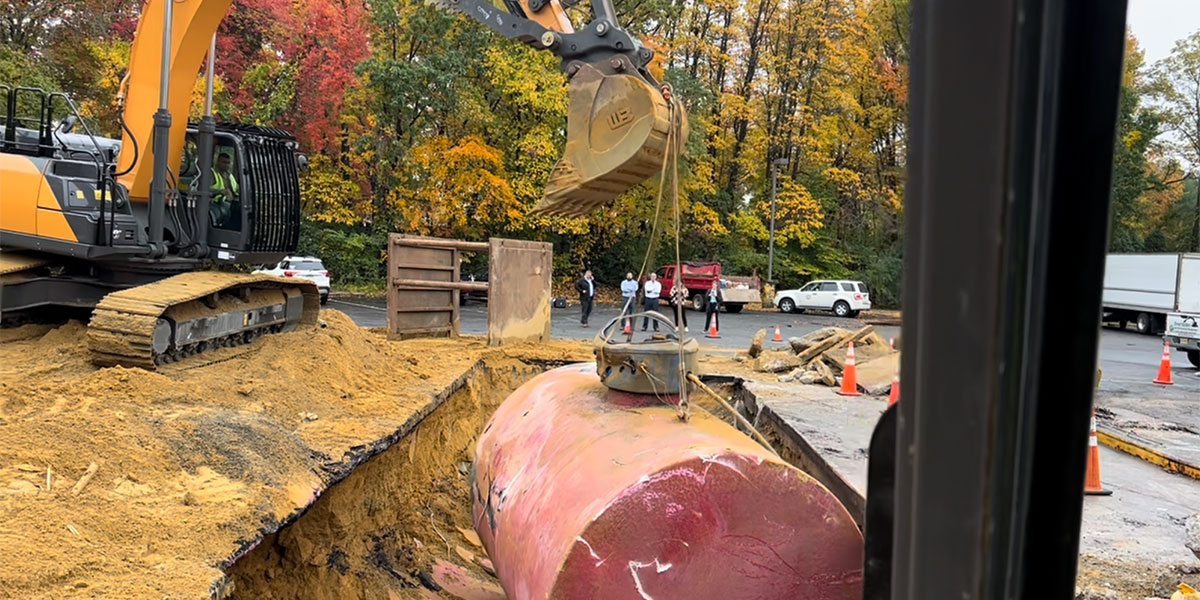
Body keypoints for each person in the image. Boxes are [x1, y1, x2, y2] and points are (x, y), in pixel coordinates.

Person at [192, 151, 239, 227]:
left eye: (228, 163)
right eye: (224, 162)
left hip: (231, 201)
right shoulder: (211, 173)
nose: (226, 165)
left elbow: (236, 188)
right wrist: (220, 191)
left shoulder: (229, 175)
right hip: (214, 203)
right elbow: (204, 188)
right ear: (217, 162)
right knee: (230, 211)